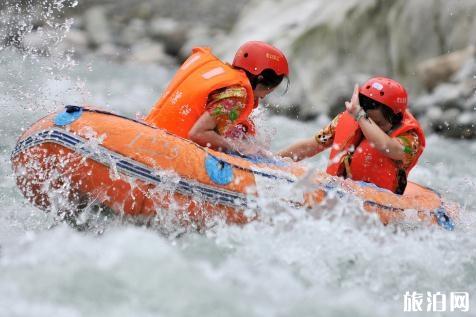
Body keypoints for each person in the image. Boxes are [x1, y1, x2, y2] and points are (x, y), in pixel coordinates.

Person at [278, 77, 425, 194]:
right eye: (367, 120)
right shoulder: (350, 119)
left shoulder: (411, 139)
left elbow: (387, 146)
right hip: (343, 192)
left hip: (381, 201)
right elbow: (311, 145)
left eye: (377, 123)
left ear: (396, 119)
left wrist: (361, 117)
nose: (368, 127)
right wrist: (274, 159)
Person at [145, 41, 289, 154]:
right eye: (269, 90)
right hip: (167, 150)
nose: (265, 96)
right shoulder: (236, 96)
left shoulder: (221, 77)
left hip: (151, 135)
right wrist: (240, 150)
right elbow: (198, 134)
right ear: (261, 79)